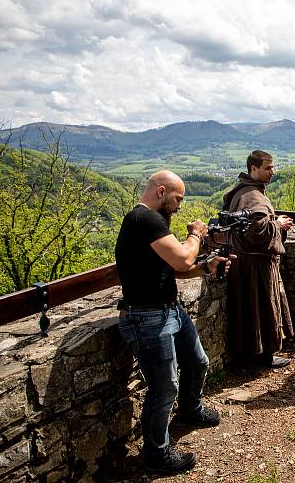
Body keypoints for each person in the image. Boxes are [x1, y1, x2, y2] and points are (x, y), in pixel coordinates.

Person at [115, 170, 232, 474]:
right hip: (147, 317)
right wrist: (196, 234)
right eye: (178, 198)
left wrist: (205, 267)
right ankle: (157, 455)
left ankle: (191, 410)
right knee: (164, 386)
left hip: (169, 309)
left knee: (198, 361)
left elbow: (175, 270)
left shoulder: (153, 222)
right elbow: (181, 258)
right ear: (162, 191)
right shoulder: (145, 219)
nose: (180, 205)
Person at [223, 150, 294, 368]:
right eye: (267, 168)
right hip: (254, 265)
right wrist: (278, 224)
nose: (272, 172)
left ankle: (250, 354)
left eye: (272, 167)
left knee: (250, 309)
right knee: (260, 307)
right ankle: (262, 356)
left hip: (245, 262)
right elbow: (256, 231)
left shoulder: (246, 192)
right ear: (253, 169)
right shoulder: (252, 196)